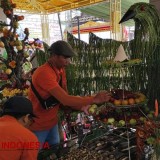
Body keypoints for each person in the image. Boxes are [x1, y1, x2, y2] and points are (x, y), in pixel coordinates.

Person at [28, 40, 111, 147]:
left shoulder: (60, 70)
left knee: (55, 151)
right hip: (38, 124)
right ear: (54, 56)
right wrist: (94, 99)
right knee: (34, 154)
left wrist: (81, 107)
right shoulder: (44, 73)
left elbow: (64, 97)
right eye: (65, 58)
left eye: (69, 58)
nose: (69, 61)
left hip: (52, 121)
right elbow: (65, 99)